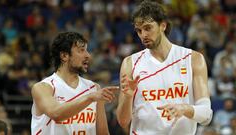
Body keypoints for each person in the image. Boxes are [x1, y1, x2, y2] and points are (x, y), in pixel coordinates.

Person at [116, 1, 213, 135]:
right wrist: (127, 97)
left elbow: (206, 115)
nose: (143, 35)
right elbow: (123, 121)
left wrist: (185, 109)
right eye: (139, 31)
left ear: (163, 25)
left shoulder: (193, 59)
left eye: (148, 28)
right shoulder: (130, 63)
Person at [31, 32, 119, 135]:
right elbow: (56, 113)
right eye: (81, 51)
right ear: (64, 56)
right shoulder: (43, 87)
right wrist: (90, 98)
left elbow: (102, 133)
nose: (88, 55)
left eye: (86, 50)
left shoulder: (94, 88)